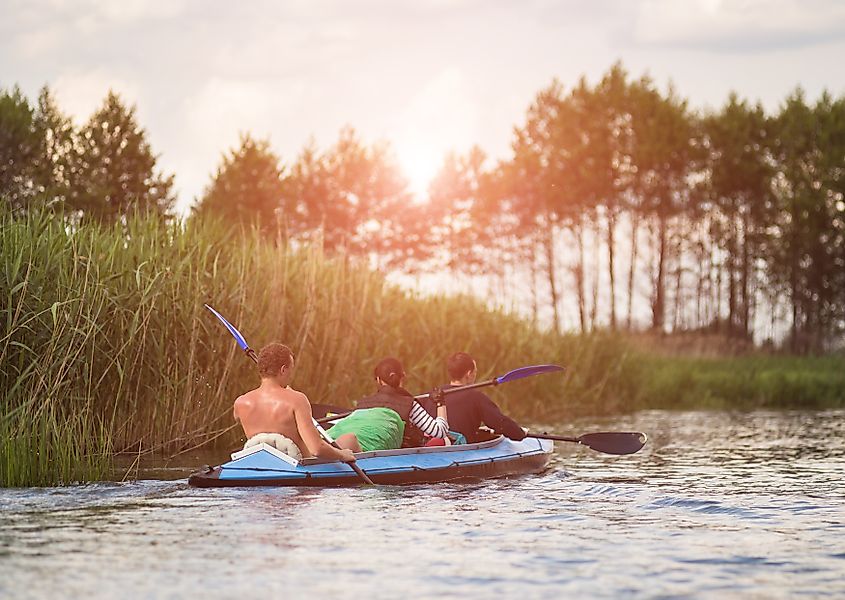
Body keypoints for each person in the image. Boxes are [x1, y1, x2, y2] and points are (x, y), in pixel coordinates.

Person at [233, 342, 359, 462]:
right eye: (291, 368)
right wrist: (342, 455)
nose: (291, 374)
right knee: (350, 439)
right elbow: (317, 449)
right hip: (301, 463)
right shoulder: (297, 400)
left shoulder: (241, 403)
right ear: (283, 370)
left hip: (263, 463)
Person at [326, 357, 450, 451]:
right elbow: (439, 432)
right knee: (448, 439)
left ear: (379, 380)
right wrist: (440, 402)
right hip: (369, 449)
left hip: (340, 441)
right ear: (403, 377)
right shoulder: (409, 404)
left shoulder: (362, 404)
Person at [428, 352, 526, 444]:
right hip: (463, 451)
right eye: (475, 372)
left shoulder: (432, 396)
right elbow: (500, 423)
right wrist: (520, 433)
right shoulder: (476, 398)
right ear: (469, 374)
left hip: (434, 448)